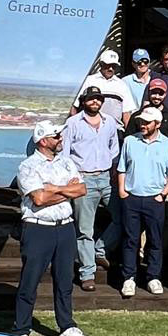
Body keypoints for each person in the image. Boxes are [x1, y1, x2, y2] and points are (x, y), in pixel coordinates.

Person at [14, 121, 89, 336]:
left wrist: (53, 188)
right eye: (55, 136)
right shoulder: (28, 166)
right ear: (43, 141)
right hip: (38, 227)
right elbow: (38, 198)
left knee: (65, 279)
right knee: (30, 279)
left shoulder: (66, 163)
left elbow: (82, 189)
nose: (60, 139)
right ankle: (21, 327)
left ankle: (67, 326)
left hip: (64, 226)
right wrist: (67, 190)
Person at [116, 106, 168, 298]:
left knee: (155, 240)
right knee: (130, 239)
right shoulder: (130, 141)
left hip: (155, 199)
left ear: (158, 124)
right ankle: (129, 278)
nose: (142, 125)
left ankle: (153, 277)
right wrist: (122, 191)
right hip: (132, 197)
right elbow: (122, 168)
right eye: (141, 122)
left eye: (147, 122)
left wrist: (162, 194)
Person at [61, 86, 121, 292]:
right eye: (91, 98)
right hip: (83, 178)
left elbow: (115, 148)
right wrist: (73, 178)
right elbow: (65, 153)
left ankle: (100, 248)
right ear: (84, 101)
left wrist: (113, 169)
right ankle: (87, 273)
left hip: (106, 177)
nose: (95, 101)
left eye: (98, 98)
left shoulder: (109, 122)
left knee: (121, 217)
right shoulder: (72, 123)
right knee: (85, 229)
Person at [71, 49, 134, 128]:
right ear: (101, 64)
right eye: (108, 65)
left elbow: (126, 113)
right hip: (89, 129)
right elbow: (74, 106)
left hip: (115, 130)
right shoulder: (88, 81)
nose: (110, 69)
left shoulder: (122, 85)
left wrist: (127, 134)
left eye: (114, 66)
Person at [135, 79, 168, 160]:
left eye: (160, 93)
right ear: (149, 93)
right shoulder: (138, 116)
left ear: (165, 94)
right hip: (142, 158)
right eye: (154, 93)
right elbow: (130, 139)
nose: (157, 96)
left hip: (164, 159)